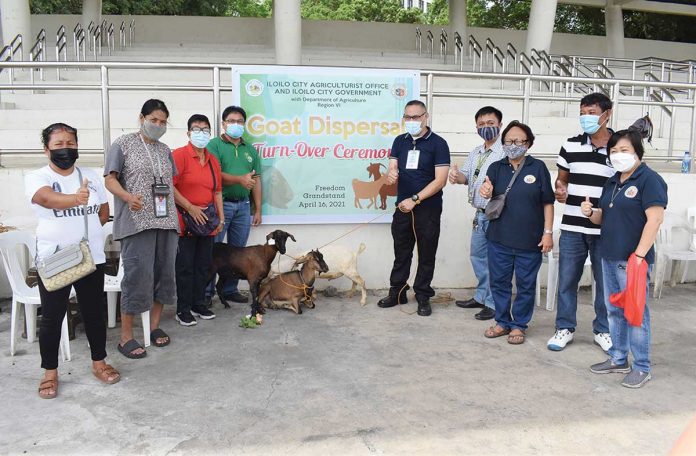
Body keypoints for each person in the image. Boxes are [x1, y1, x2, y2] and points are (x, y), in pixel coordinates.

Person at [25, 123, 119, 399]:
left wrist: (85, 231)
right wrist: (74, 200)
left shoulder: (90, 175)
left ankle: (99, 363)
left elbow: (103, 210)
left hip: (90, 258)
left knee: (93, 313)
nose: (65, 149)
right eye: (58, 145)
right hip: (55, 258)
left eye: (70, 143)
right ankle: (50, 372)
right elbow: (46, 199)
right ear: (47, 150)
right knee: (53, 317)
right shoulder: (36, 176)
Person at [583, 129, 667, 388]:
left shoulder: (649, 180)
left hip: (633, 260)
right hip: (608, 254)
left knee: (636, 313)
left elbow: (655, 219)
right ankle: (618, 358)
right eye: (614, 151)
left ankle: (641, 366)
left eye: (624, 150)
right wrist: (590, 212)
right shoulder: (613, 180)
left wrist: (639, 256)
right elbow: (604, 217)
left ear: (637, 152)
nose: (618, 155)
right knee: (614, 310)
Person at [104, 99, 179, 358]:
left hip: (167, 222)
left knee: (164, 276)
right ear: (141, 118)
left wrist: (189, 207)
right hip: (137, 223)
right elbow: (109, 179)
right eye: (153, 120)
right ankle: (126, 337)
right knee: (137, 278)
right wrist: (126, 197)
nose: (158, 125)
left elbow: (170, 185)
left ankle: (154, 327)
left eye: (162, 122)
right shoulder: (122, 144)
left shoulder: (165, 149)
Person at [549, 93, 615, 352]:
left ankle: (604, 330)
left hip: (605, 229)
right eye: (583, 112)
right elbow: (561, 179)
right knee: (567, 280)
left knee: (605, 282)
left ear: (607, 114)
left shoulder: (619, 146)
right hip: (573, 227)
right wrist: (560, 189)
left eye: (591, 112)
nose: (586, 118)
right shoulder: (570, 145)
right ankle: (564, 328)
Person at [480, 121, 554, 344]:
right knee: (499, 283)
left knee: (525, 285)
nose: (514, 145)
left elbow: (548, 203)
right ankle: (502, 321)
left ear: (528, 143)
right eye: (509, 141)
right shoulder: (496, 167)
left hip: (530, 241)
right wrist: (485, 191)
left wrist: (547, 233)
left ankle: (519, 324)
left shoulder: (538, 167)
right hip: (499, 238)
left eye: (519, 141)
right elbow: (487, 193)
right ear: (503, 144)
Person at [378, 100, 450, 317]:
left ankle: (423, 295)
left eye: (416, 117)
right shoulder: (400, 141)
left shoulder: (438, 143)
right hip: (402, 206)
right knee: (401, 250)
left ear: (425, 117)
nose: (411, 121)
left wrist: (415, 199)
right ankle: (397, 291)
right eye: (407, 117)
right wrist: (391, 174)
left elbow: (440, 181)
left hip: (427, 207)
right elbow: (392, 168)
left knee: (426, 252)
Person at [449, 106, 506, 321]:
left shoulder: (504, 152)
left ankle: (493, 303)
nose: (486, 128)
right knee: (477, 256)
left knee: (494, 260)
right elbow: (466, 176)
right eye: (481, 125)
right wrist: (456, 176)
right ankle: (482, 296)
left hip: (498, 214)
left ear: (500, 125)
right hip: (480, 213)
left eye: (490, 124)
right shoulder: (476, 152)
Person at [172, 114, 224, 326]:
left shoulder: (212, 160)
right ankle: (183, 309)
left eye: (205, 130)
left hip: (207, 223)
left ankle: (198, 304)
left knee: (204, 265)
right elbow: (170, 187)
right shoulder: (179, 155)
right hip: (186, 221)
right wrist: (190, 207)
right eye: (196, 129)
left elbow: (218, 191)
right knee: (185, 267)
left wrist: (221, 217)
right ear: (188, 133)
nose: (201, 133)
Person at [206, 106, 262, 304]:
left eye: (239, 122)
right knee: (213, 251)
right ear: (223, 123)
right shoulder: (214, 146)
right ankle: (206, 293)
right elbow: (213, 175)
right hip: (220, 206)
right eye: (231, 121)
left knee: (238, 253)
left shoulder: (250, 150)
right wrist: (239, 180)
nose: (235, 125)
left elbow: (256, 180)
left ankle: (229, 290)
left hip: (243, 207)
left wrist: (258, 209)